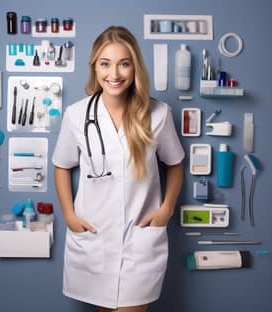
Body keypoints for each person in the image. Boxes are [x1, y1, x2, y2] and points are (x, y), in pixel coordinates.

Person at [52, 26, 184, 312]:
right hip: (94, 236)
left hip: (140, 239)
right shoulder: (76, 115)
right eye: (105, 64)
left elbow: (175, 164)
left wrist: (167, 209)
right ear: (94, 67)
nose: (114, 74)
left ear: (135, 66)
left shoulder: (158, 114)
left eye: (124, 63)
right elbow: (61, 165)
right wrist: (69, 215)